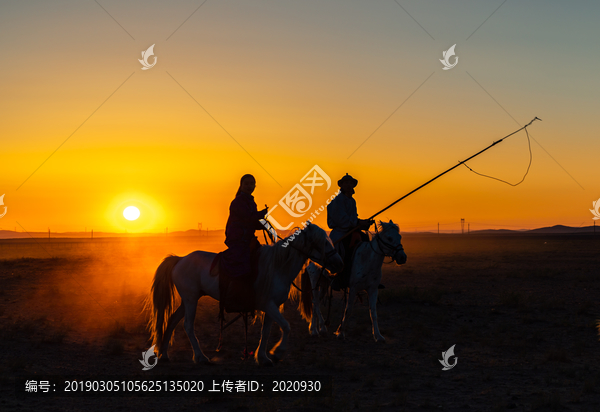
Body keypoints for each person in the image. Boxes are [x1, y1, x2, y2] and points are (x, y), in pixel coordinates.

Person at [327, 173, 374, 291]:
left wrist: (363, 223)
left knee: (367, 243)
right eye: (346, 183)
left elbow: (353, 219)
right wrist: (359, 222)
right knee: (347, 251)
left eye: (350, 183)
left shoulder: (352, 201)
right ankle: (339, 277)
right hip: (341, 233)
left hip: (352, 232)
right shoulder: (337, 201)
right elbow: (342, 220)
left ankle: (367, 276)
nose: (349, 185)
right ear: (341, 185)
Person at [221, 174, 268, 280]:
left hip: (248, 240)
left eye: (252, 184)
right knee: (243, 269)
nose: (249, 186)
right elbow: (248, 218)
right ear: (241, 185)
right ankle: (235, 291)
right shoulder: (237, 202)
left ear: (255, 186)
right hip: (237, 240)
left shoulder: (251, 202)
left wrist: (265, 225)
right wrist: (261, 214)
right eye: (246, 184)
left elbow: (251, 222)